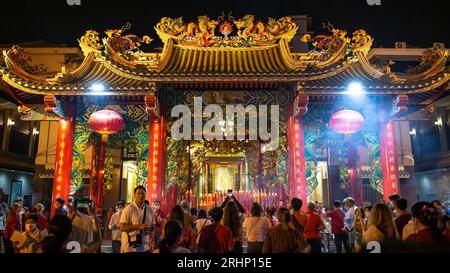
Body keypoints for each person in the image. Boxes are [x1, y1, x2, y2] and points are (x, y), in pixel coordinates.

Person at [119, 186, 155, 253]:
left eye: (143, 193)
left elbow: (153, 226)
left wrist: (150, 229)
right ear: (134, 195)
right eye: (138, 193)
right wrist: (139, 226)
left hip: (145, 247)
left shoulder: (150, 209)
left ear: (145, 195)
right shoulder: (128, 209)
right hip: (129, 248)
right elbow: (122, 227)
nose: (141, 195)